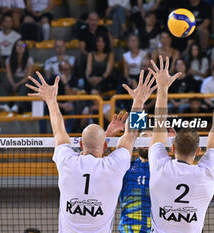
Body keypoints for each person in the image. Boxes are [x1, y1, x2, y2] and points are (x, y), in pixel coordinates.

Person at [25, 68, 157, 232]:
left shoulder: (67, 161)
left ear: (80, 144)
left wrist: (51, 100)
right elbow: (132, 133)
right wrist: (139, 101)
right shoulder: (113, 165)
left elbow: (58, 130)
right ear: (105, 146)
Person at [147, 56, 214, 232]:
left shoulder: (160, 167)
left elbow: (159, 125)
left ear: (172, 148)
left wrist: (163, 88)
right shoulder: (206, 174)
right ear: (198, 151)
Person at [118, 130, 152, 233]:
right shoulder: (126, 167)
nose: (147, 142)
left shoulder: (163, 168)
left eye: (151, 139)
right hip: (127, 229)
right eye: (144, 138)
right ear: (136, 145)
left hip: (154, 229)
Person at [39, 60, 79, 134]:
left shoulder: (74, 79)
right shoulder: (52, 79)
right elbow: (46, 97)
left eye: (67, 69)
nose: (64, 72)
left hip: (67, 104)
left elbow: (72, 98)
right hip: (54, 103)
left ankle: (68, 135)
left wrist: (65, 83)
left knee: (73, 108)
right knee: (42, 108)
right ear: (59, 70)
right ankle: (43, 136)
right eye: (62, 69)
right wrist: (60, 105)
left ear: (70, 70)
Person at [0, 39, 33, 113]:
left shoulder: (29, 59)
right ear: (14, 47)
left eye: (23, 45)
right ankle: (4, 105)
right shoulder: (9, 59)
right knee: (2, 85)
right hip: (13, 79)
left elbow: (28, 76)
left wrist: (18, 84)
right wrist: (12, 83)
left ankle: (16, 106)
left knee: (27, 84)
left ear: (25, 48)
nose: (20, 47)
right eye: (18, 45)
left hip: (23, 79)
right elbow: (9, 74)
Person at [78, 11, 112, 78]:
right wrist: (92, 57)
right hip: (88, 54)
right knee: (83, 59)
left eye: (96, 20)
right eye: (92, 20)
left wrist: (104, 54)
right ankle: (83, 79)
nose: (94, 22)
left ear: (98, 21)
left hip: (103, 54)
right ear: (88, 20)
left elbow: (110, 43)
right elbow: (82, 49)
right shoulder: (83, 31)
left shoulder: (103, 29)